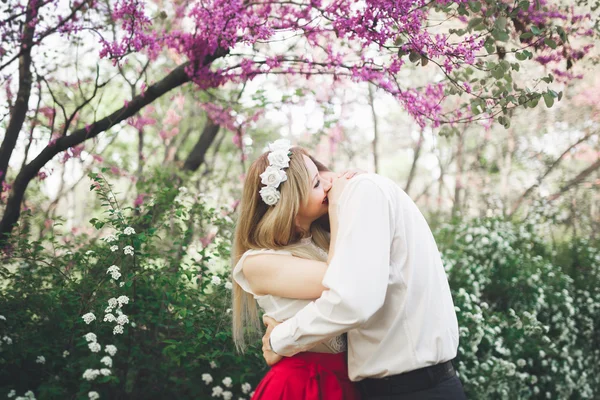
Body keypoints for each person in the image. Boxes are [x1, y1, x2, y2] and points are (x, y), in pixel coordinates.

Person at [261, 166, 467, 399]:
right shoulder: (368, 194)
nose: (329, 187)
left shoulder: (363, 190)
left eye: (319, 180)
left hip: (410, 388)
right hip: (404, 385)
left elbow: (353, 300)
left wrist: (279, 339)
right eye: (316, 184)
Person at [231, 139, 361, 399]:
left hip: (347, 379)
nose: (328, 185)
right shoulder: (257, 262)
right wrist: (335, 206)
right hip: (301, 383)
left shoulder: (322, 240)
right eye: (315, 183)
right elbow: (337, 280)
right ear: (291, 204)